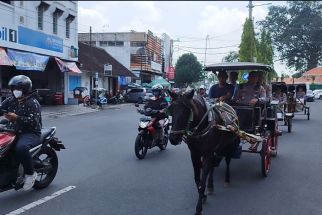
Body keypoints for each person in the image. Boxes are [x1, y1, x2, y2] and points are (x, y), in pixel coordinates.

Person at [1, 75, 42, 191]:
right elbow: (1, 108)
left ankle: (30, 174)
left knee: (21, 148)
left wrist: (17, 118)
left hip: (30, 132)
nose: (15, 91)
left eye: (18, 88)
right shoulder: (11, 99)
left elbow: (33, 121)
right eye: (14, 88)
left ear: (25, 89)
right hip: (13, 130)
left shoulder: (32, 102)